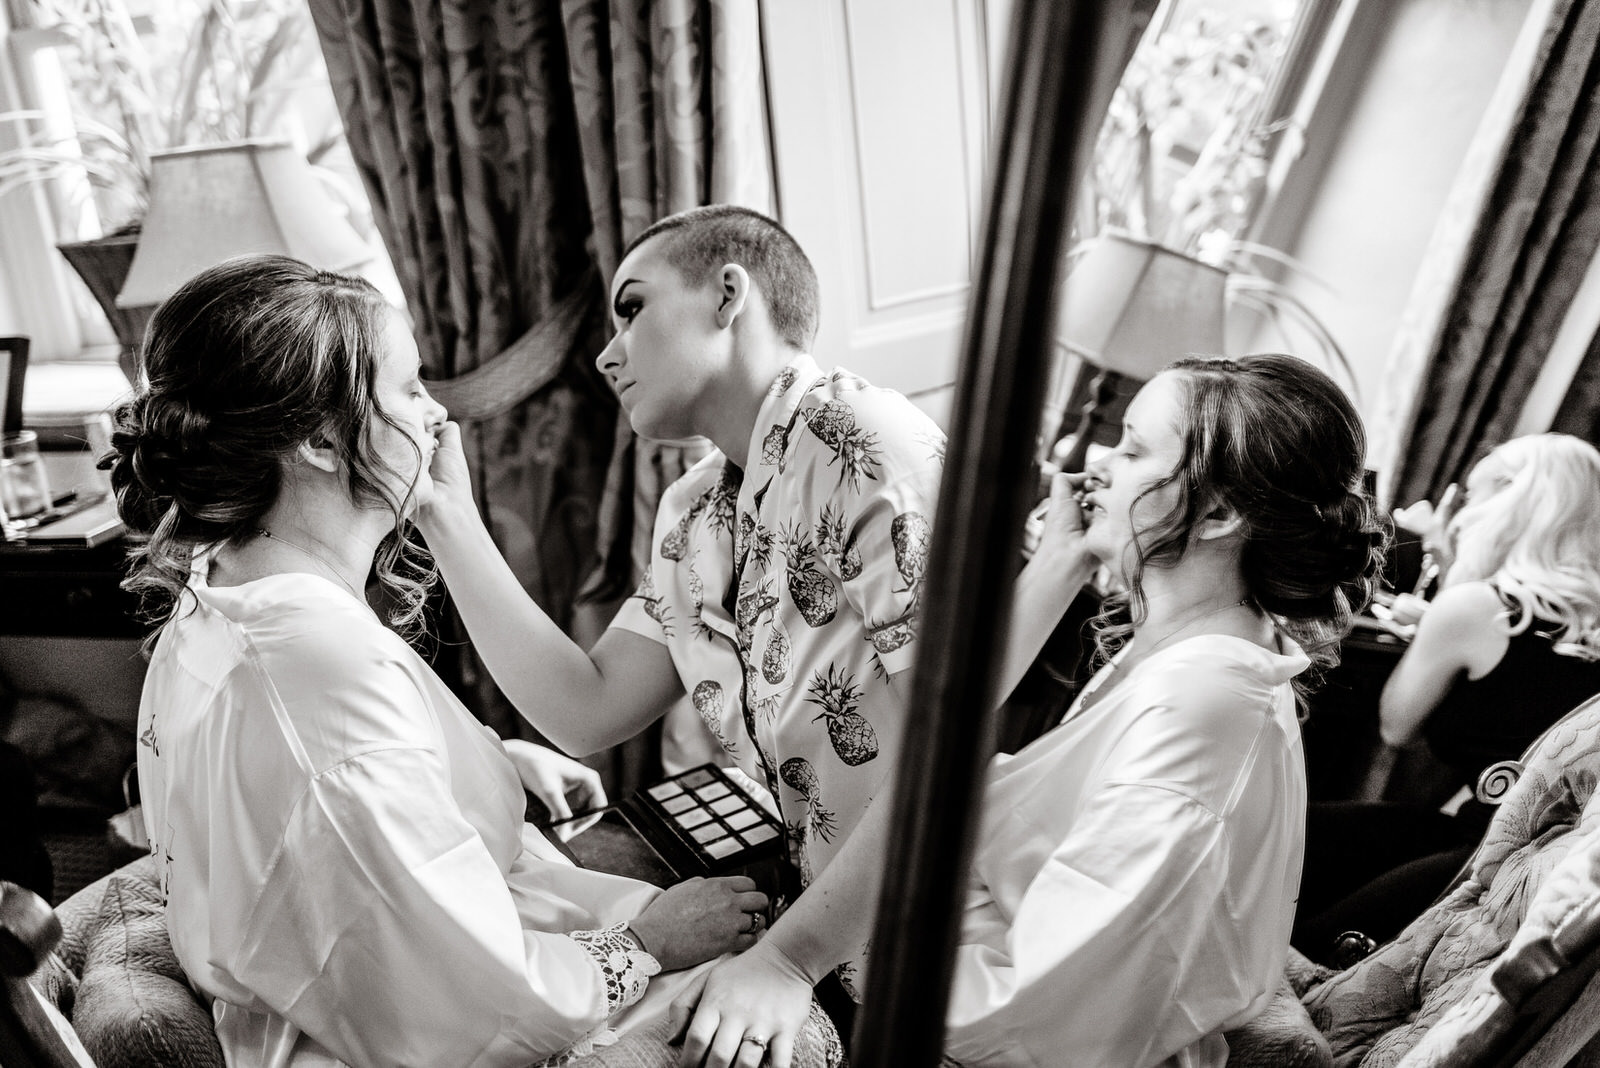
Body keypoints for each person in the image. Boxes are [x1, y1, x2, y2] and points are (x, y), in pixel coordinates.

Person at [109, 255, 769, 1068]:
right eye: (411, 388)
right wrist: (646, 944)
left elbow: (312, 809)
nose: (437, 418)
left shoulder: (221, 593)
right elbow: (470, 1004)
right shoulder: (318, 661)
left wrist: (473, 766)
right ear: (319, 440)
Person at [670, 353, 1385, 1068]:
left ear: (1221, 512)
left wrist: (818, 960)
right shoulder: (1178, 659)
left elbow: (1043, 1013)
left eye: (1135, 449)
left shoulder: (1203, 706)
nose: (1100, 463)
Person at [417, 205, 948, 1005]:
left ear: (729, 295)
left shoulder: (868, 447)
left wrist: (786, 962)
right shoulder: (694, 511)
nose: (605, 355)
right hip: (820, 932)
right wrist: (443, 513)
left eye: (631, 310)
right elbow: (585, 709)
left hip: (933, 934)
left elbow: (951, 756)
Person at [1296, 433, 1600, 957]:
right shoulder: (1582, 620)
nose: (1462, 515)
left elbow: (1398, 726)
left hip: (1483, 855)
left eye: (1475, 496)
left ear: (1514, 500)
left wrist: (1446, 606)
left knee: (1287, 849)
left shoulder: (1477, 607)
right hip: (1552, 865)